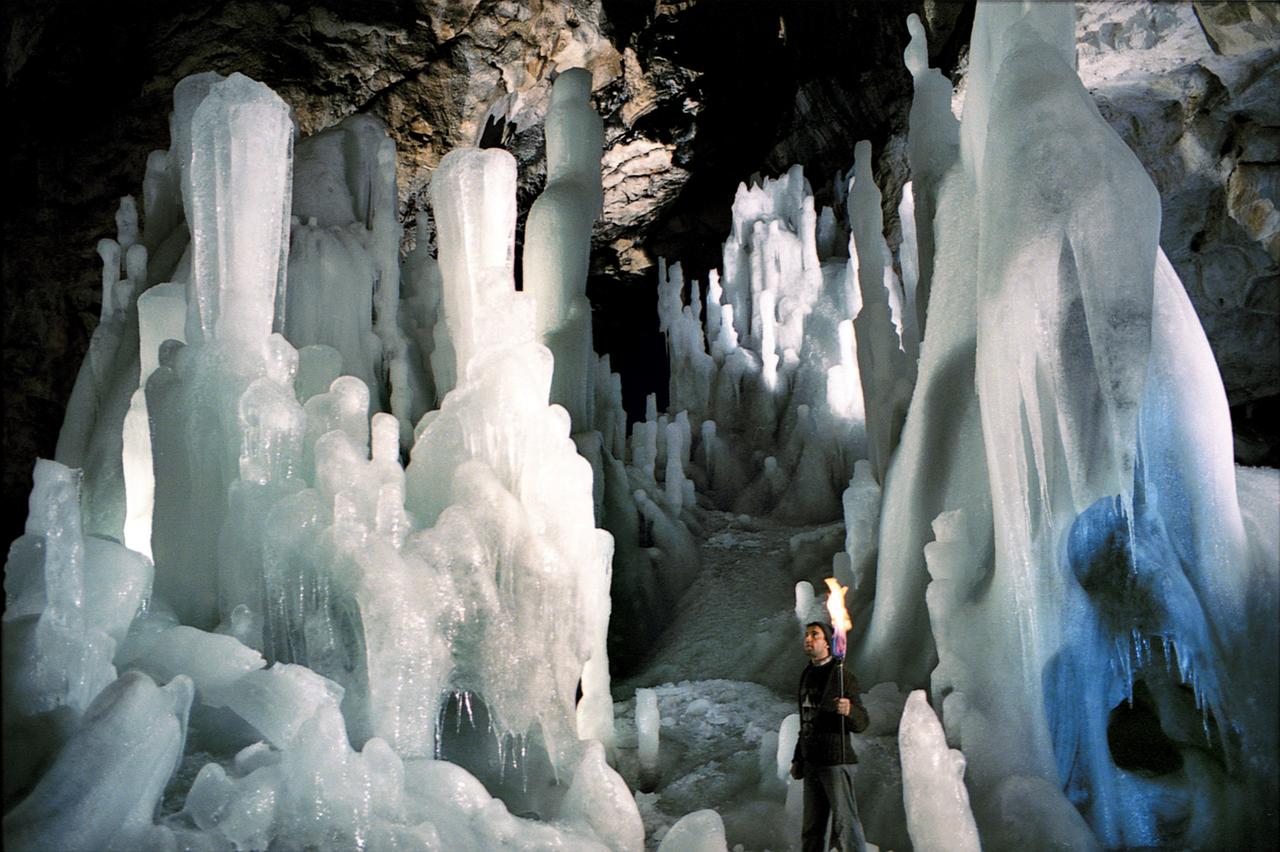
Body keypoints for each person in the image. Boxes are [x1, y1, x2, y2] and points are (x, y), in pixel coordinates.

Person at [790, 621, 870, 852]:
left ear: (827, 642)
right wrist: (798, 758)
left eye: (814, 635)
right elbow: (806, 722)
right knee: (812, 827)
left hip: (836, 760)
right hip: (812, 762)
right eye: (806, 635)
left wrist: (849, 711)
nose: (808, 639)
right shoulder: (807, 675)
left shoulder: (843, 676)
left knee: (845, 824)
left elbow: (863, 722)